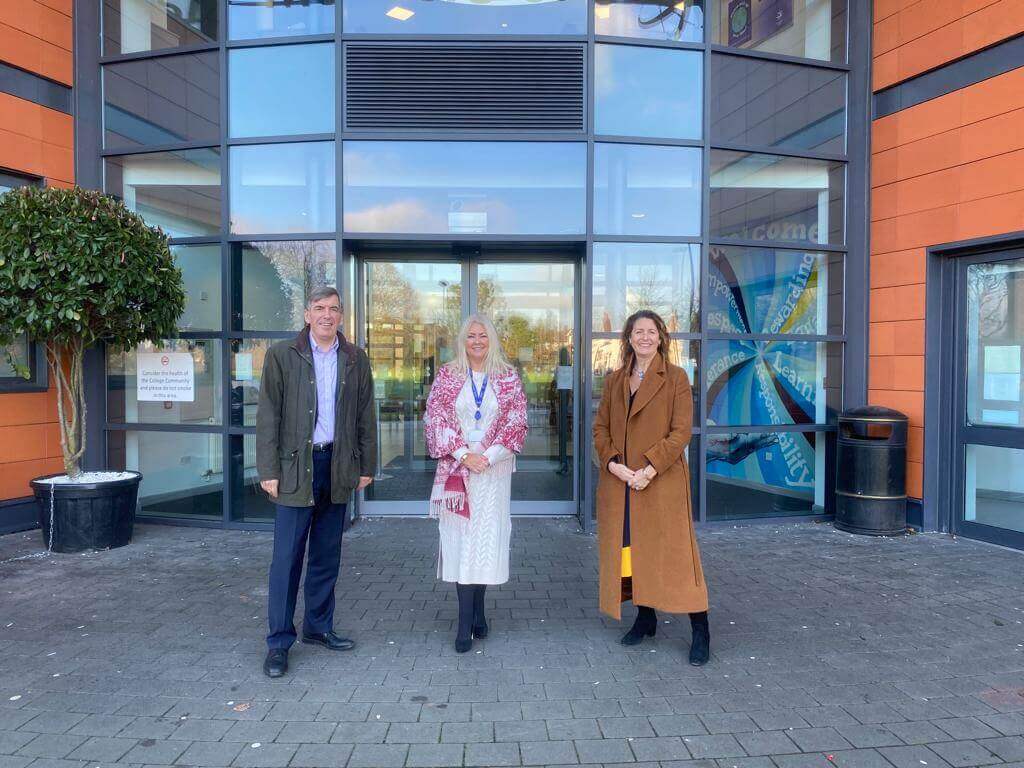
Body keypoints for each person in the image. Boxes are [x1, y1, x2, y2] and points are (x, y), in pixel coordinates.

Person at [255, 286, 377, 678]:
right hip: (294, 469)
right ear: (307, 314)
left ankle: (318, 627)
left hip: (337, 466)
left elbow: (364, 416)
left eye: (334, 309)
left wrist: (366, 465)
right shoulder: (282, 356)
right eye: (319, 308)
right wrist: (268, 470)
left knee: (326, 556)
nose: (327, 315)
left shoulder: (356, 359)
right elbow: (268, 416)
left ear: (342, 315)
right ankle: (278, 642)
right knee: (287, 560)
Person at [592, 309, 711, 666]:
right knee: (631, 552)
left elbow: (681, 432)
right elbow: (600, 429)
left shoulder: (675, 378)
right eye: (638, 332)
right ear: (628, 338)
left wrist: (649, 469)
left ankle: (700, 628)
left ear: (661, 338)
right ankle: (645, 619)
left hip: (660, 483)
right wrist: (613, 462)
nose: (644, 337)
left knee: (676, 558)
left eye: (651, 332)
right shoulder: (614, 381)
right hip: (621, 485)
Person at [424, 314, 528, 653]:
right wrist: (464, 453)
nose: (478, 341)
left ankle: (480, 613)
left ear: (492, 339)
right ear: (462, 340)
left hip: (493, 474)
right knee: (461, 543)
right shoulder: (448, 375)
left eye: (483, 335)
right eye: (471, 335)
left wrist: (490, 455)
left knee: (484, 542)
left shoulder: (508, 377)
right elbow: (435, 417)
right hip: (458, 471)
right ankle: (465, 621)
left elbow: (517, 420)